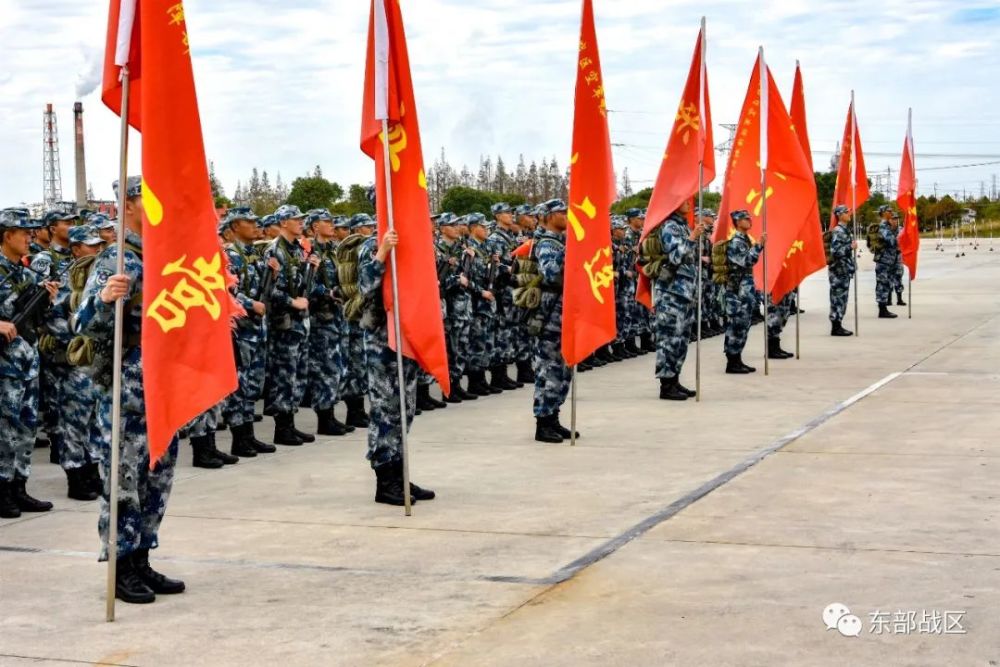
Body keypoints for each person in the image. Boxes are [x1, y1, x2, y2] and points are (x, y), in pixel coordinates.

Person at [73, 177, 185, 603]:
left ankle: (142, 557)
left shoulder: (167, 256)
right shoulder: (117, 258)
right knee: (123, 480)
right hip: (126, 390)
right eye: (151, 196)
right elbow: (80, 325)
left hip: (162, 387)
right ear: (132, 203)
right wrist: (103, 298)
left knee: (158, 477)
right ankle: (120, 566)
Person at [356, 220, 435, 506]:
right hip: (382, 341)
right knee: (385, 411)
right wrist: (381, 254)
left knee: (405, 410)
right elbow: (364, 286)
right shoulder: (371, 245)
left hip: (406, 338)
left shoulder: (410, 247)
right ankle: (384, 481)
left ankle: (399, 475)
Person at [0, 208, 57, 518]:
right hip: (4, 367)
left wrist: (46, 301)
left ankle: (19, 486)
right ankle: (2, 490)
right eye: (24, 232)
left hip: (27, 363)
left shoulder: (26, 273)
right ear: (7, 235)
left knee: (25, 429)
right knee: (3, 431)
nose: (30, 237)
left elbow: (39, 321)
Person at [222, 207, 278, 458]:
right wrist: (250, 304)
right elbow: (227, 290)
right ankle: (239, 438)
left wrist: (272, 275)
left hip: (256, 330)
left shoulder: (252, 255)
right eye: (249, 222)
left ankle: (248, 436)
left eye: (257, 222)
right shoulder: (230, 256)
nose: (256, 226)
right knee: (241, 385)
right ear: (234, 227)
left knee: (253, 385)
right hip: (242, 331)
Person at [263, 205, 318, 446]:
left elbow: (302, 282)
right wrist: (292, 302)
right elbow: (269, 290)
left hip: (300, 322)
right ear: (283, 222)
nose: (300, 222)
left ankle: (291, 424)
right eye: (296, 219)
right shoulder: (275, 250)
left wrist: (312, 270)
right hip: (284, 322)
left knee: (298, 374)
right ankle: (282, 428)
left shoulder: (298, 249)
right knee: (284, 375)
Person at [641, 200, 705, 400]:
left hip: (684, 292)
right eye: (684, 200)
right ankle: (666, 385)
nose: (688, 203)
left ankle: (674, 379)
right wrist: (693, 237)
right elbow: (676, 256)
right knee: (669, 339)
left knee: (681, 339)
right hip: (671, 293)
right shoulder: (669, 226)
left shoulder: (682, 225)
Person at [528, 199, 576, 443]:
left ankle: (554, 418)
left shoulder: (560, 242)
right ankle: (543, 423)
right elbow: (550, 273)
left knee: (562, 371)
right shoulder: (547, 243)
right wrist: (571, 252)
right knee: (548, 371)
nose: (566, 215)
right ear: (547, 216)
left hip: (563, 316)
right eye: (561, 212)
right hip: (548, 319)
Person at [304, 209, 354, 436]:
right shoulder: (307, 252)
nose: (332, 225)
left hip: (338, 318)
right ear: (315, 226)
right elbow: (304, 284)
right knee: (324, 370)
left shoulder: (334, 251)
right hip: (320, 320)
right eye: (327, 221)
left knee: (338, 369)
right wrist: (328, 292)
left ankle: (331, 415)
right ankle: (324, 419)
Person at [723, 210, 766, 374]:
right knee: (737, 325)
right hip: (737, 292)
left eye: (749, 218)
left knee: (744, 325)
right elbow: (746, 261)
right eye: (745, 219)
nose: (749, 221)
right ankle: (732, 361)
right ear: (737, 221)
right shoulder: (736, 242)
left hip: (745, 289)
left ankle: (737, 359)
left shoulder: (745, 240)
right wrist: (759, 246)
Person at [485, 202, 522, 390]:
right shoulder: (495, 239)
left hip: (513, 290)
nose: (510, 215)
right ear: (497, 216)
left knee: (510, 334)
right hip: (503, 291)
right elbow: (492, 263)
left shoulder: (511, 236)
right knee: (501, 334)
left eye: (510, 212)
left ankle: (504, 374)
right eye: (506, 213)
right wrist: (506, 269)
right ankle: (497, 376)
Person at [464, 213, 499, 396]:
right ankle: (474, 381)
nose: (486, 230)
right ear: (473, 228)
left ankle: (482, 380)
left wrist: (496, 265)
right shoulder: (468, 250)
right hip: (475, 303)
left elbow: (490, 275)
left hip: (487, 304)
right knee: (475, 344)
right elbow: (465, 280)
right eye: (482, 226)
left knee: (486, 342)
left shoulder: (487, 248)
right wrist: (481, 292)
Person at [828, 204, 857, 336]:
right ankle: (836, 326)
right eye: (846, 212)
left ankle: (838, 324)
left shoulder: (844, 230)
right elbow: (835, 251)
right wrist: (850, 247)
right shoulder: (838, 231)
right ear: (840, 215)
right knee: (837, 299)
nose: (849, 214)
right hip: (838, 271)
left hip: (843, 270)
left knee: (842, 299)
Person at [873, 204, 900, 319]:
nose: (891, 212)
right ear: (884, 213)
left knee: (886, 284)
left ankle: (883, 309)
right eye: (889, 211)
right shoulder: (883, 227)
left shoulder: (888, 226)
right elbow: (891, 241)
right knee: (882, 285)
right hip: (883, 261)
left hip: (889, 260)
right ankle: (882, 310)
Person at [892, 213, 907, 306]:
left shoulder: (901, 230)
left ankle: (899, 299)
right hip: (888, 258)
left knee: (898, 277)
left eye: (896, 219)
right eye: (893, 219)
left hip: (898, 258)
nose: (895, 221)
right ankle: (888, 299)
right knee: (887, 279)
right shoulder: (886, 230)